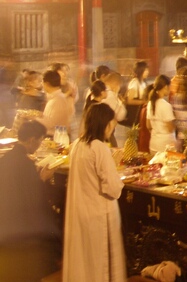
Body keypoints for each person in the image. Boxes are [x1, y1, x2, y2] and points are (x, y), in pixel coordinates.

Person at [62, 102, 126, 281]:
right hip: (98, 214)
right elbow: (112, 189)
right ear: (104, 124)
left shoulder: (77, 144)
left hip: (81, 212)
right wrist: (118, 174)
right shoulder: (99, 148)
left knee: (83, 261)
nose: (111, 130)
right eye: (111, 125)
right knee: (100, 264)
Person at [0, 121, 60, 282]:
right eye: (40, 140)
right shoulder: (25, 163)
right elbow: (33, 196)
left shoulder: (6, 158)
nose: (40, 145)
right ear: (32, 139)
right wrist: (42, 179)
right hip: (23, 228)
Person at [38, 69, 74, 139]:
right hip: (56, 135)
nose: (41, 84)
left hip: (54, 137)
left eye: (42, 82)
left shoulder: (57, 100)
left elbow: (51, 123)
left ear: (47, 83)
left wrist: (34, 119)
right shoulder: (56, 98)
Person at [147, 74, 176, 153]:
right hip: (165, 146)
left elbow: (148, 126)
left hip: (153, 144)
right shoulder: (166, 106)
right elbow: (170, 128)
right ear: (166, 87)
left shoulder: (150, 103)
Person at [125, 60, 150, 126]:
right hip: (134, 113)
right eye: (145, 70)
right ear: (140, 71)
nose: (147, 72)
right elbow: (129, 101)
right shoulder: (134, 83)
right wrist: (143, 102)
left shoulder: (143, 83)